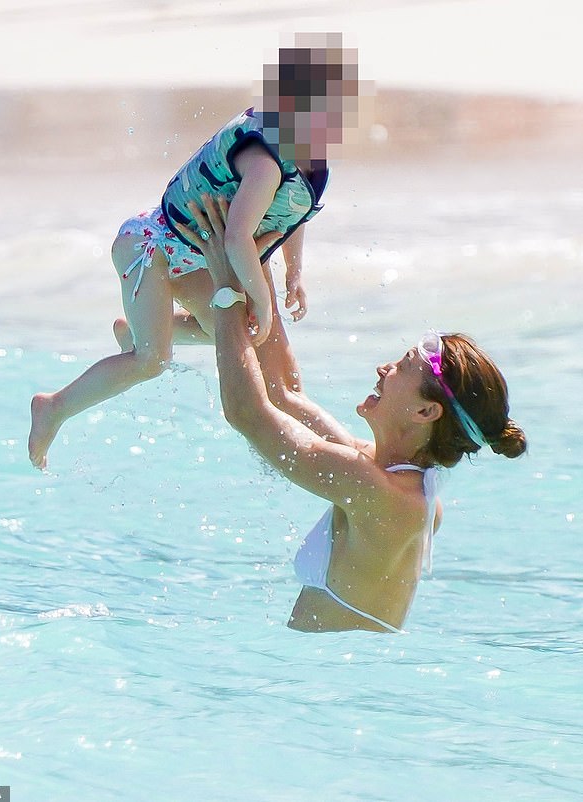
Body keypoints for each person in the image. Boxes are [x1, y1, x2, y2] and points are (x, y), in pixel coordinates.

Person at [176, 195, 528, 633]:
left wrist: (226, 286)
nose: (384, 368)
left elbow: (248, 413)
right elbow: (283, 395)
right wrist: (254, 261)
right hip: (343, 678)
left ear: (425, 410)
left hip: (322, 683)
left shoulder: (377, 490)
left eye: (401, 366)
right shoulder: (400, 484)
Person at [28, 32, 359, 469]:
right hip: (153, 249)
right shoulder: (263, 160)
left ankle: (146, 325)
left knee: (234, 332)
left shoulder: (309, 161)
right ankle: (54, 406)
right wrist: (261, 297)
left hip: (198, 254)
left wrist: (293, 273)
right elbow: (238, 238)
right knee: (153, 361)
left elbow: (289, 212)